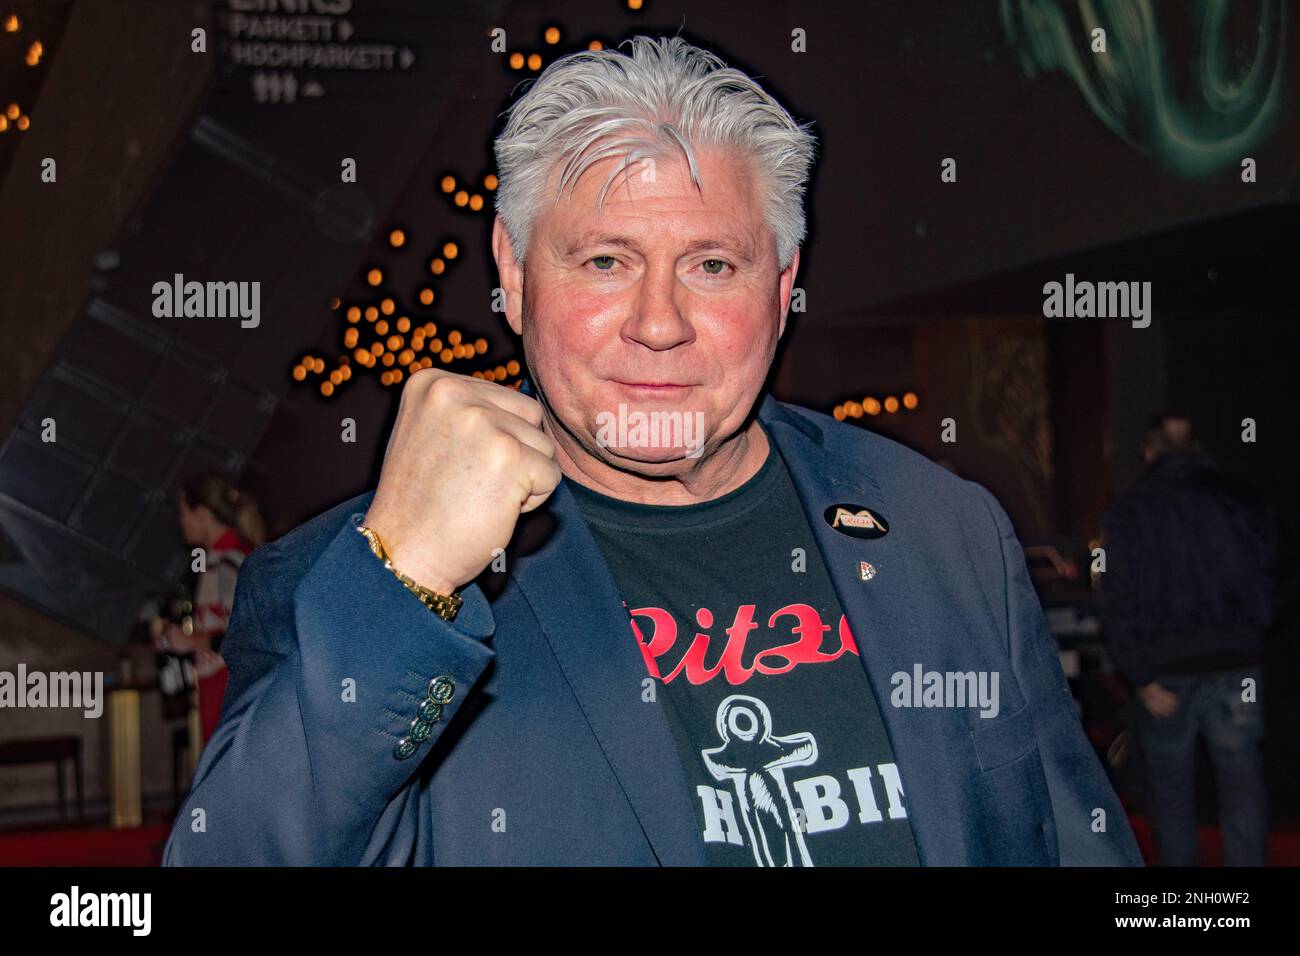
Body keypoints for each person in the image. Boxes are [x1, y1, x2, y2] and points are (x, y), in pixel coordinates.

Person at [165, 36, 1141, 866]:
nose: (659, 323)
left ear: (783, 280)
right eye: (604, 260)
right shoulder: (350, 580)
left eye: (712, 264)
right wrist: (406, 585)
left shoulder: (943, 526)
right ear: (511, 273)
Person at [1098, 415, 1276, 865]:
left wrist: (1140, 676)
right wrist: (1253, 632)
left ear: (1148, 450)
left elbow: (1117, 598)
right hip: (1237, 665)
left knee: (1172, 794)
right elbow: (1273, 571)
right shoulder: (1240, 500)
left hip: (1166, 675)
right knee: (1243, 787)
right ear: (1196, 447)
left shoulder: (1130, 509)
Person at [151, 474, 264, 746]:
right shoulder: (214, 561)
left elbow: (248, 636)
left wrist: (189, 641)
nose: (181, 523)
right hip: (219, 696)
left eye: (183, 513)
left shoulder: (231, 561)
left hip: (233, 698)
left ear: (202, 513)